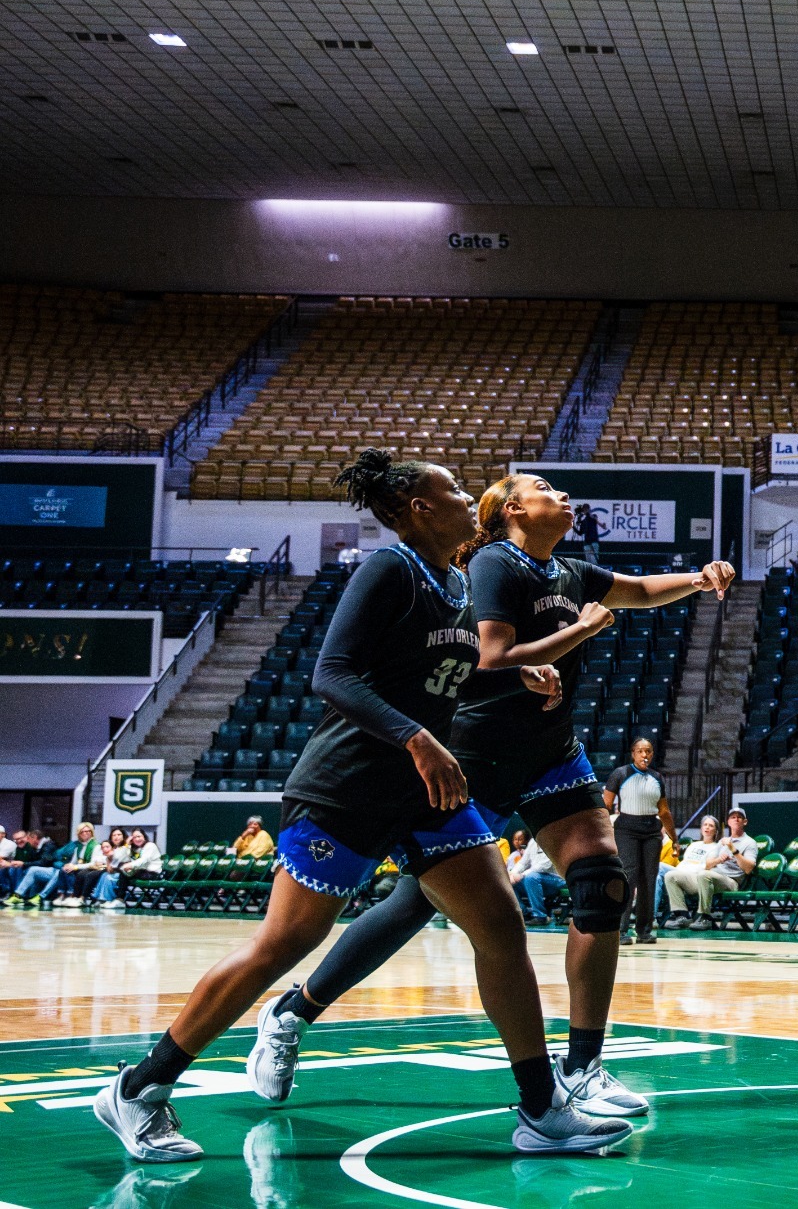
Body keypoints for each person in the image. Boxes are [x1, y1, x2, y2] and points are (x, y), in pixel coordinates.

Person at [97, 450, 629, 1162]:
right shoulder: (389, 568)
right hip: (347, 784)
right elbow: (333, 672)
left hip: (426, 793)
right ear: (420, 508)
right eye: (452, 490)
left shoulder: (455, 582)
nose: (467, 496)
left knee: (500, 924)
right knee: (282, 945)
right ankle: (138, 1088)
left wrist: (518, 669)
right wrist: (417, 735)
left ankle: (541, 1109)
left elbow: (446, 664)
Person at [248, 471, 733, 1123]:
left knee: (602, 885)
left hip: (551, 749)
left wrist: (699, 579)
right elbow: (490, 655)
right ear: (511, 509)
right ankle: (293, 1010)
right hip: (477, 750)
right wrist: (579, 634)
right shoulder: (495, 566)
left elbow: (641, 589)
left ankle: (582, 1066)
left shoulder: (565, 569)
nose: (562, 495)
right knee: (413, 902)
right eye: (545, 487)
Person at [604, 737, 673, 944]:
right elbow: (606, 804)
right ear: (633, 753)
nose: (645, 755)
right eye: (641, 751)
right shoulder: (620, 773)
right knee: (629, 877)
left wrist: (674, 836)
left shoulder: (657, 777)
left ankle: (644, 930)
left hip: (652, 830)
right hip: (626, 829)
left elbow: (664, 810)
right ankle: (621, 929)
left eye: (649, 751)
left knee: (649, 880)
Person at [509, 836, 564, 924]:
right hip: (535, 878)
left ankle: (540, 916)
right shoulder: (532, 842)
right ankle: (524, 913)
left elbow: (544, 866)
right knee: (509, 882)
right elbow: (523, 862)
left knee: (531, 877)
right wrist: (512, 874)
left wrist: (521, 875)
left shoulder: (553, 840)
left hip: (556, 879)